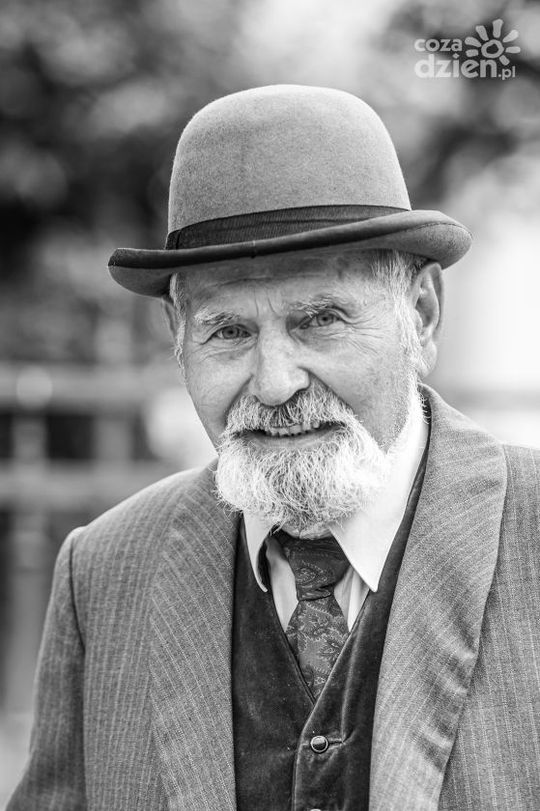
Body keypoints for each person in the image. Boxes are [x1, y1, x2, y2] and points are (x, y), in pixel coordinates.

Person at [8, 85, 540, 811]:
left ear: (419, 315)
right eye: (229, 331)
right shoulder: (102, 572)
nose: (275, 382)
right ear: (178, 337)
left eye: (320, 319)